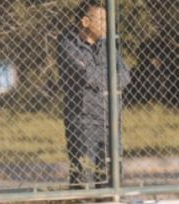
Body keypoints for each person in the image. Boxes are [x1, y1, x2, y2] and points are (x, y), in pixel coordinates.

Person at [56, 1, 130, 189]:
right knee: (85, 179)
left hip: (111, 120)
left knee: (112, 178)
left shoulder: (107, 44)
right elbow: (86, 75)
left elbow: (125, 75)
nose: (107, 24)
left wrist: (102, 77)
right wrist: (108, 78)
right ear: (85, 22)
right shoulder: (68, 44)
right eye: (102, 19)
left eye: (108, 19)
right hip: (83, 122)